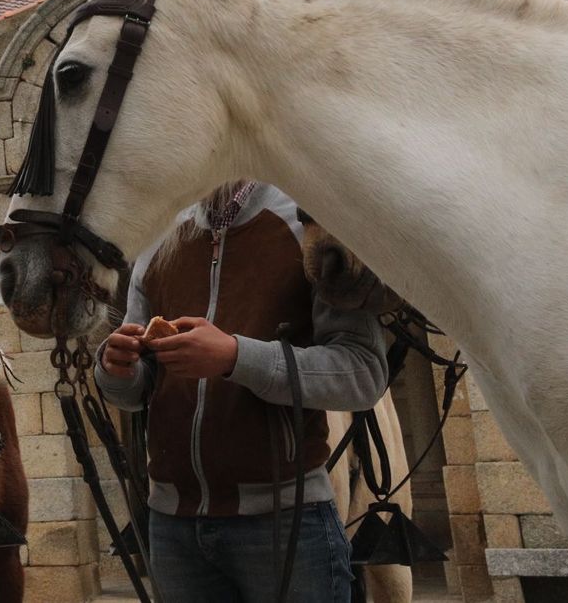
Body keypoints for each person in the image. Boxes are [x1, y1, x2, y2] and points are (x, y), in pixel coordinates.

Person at [95, 181, 389, 603]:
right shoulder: (159, 236)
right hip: (172, 529)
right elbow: (137, 390)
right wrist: (117, 369)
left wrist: (236, 357)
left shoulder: (308, 222)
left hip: (286, 524)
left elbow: (363, 373)